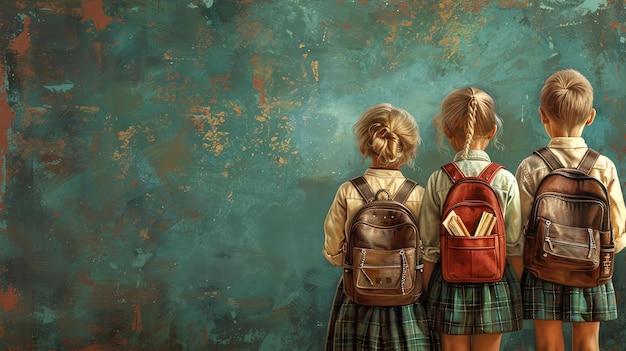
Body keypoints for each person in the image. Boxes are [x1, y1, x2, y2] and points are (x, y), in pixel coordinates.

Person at [515, 69, 626, 351]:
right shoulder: (604, 166)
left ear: (542, 115)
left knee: (548, 345)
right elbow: (619, 230)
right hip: (591, 270)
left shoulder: (531, 167)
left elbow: (518, 230)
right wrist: (592, 257)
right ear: (590, 116)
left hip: (543, 268)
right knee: (588, 344)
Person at [418, 87, 524, 351]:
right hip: (495, 281)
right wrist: (514, 288)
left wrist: (429, 294)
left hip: (448, 281)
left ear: (446, 131)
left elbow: (430, 249)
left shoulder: (438, 179)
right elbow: (514, 245)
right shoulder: (505, 179)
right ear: (492, 132)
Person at [323, 103, 432, 350]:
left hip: (358, 298)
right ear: (410, 149)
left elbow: (333, 254)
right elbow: (429, 252)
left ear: (365, 144)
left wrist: (367, 261)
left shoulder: (348, 191)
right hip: (407, 302)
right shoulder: (420, 194)